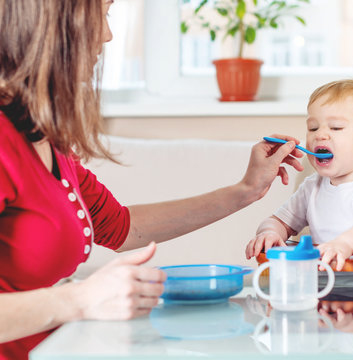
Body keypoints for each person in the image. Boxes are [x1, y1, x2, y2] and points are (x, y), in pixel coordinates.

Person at [0, 0, 304, 359]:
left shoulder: (46, 139)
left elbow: (120, 227)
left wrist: (246, 190)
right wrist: (79, 299)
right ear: (54, 22)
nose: (108, 35)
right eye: (103, 13)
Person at [245, 79, 353, 271]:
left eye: (335, 127)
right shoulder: (311, 187)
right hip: (327, 285)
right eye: (313, 128)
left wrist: (345, 244)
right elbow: (278, 221)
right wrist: (269, 232)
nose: (320, 135)